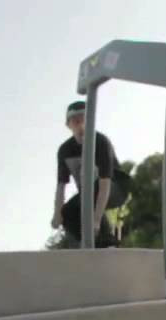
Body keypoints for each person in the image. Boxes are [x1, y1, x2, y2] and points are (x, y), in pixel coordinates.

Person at [52, 100, 129, 248]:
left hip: (115, 188)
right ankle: (94, 244)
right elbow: (61, 186)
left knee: (91, 194)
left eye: (84, 120)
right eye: (76, 121)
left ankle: (107, 240)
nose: (80, 125)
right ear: (68, 125)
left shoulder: (101, 142)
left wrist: (96, 220)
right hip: (88, 193)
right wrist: (57, 213)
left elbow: (105, 183)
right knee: (67, 212)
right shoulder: (65, 150)